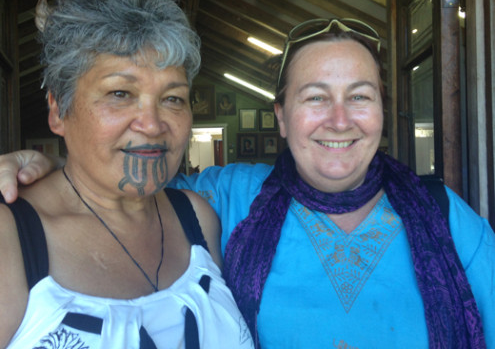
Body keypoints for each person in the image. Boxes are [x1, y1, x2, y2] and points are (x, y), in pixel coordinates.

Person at [1, 18, 494, 349]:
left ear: (383, 112)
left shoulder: (444, 216)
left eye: (360, 97)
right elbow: (123, 185)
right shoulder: (228, 198)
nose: (339, 120)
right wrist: (42, 167)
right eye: (316, 98)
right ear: (280, 116)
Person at [0, 0, 253, 349]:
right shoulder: (12, 237)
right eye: (119, 93)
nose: (152, 125)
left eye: (173, 98)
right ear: (57, 110)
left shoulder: (196, 218)